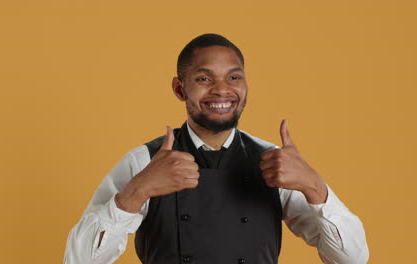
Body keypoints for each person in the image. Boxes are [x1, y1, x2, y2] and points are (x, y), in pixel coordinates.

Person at [64, 33, 369, 264]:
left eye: (234, 77)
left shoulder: (274, 161)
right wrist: (136, 191)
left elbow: (353, 258)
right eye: (204, 78)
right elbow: (77, 259)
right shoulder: (144, 161)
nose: (222, 89)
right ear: (180, 88)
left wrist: (314, 186)